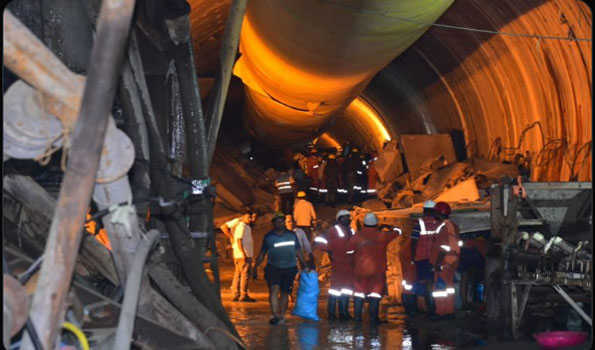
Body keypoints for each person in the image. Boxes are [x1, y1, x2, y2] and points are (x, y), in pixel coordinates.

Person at [253, 212, 309, 325]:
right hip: (273, 268)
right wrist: (255, 267)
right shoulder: (269, 237)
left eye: (282, 221)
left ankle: (281, 315)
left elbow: (298, 250)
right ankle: (275, 315)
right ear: (273, 223)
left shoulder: (292, 235)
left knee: (285, 292)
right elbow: (262, 253)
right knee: (274, 290)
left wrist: (304, 264)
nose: (281, 223)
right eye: (278, 221)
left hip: (290, 268)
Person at [346, 213, 399, 323]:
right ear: (376, 224)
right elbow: (399, 231)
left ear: (364, 223)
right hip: (377, 270)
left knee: (359, 293)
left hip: (360, 270)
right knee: (375, 293)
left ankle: (357, 318)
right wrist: (390, 227)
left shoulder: (357, 236)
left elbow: (348, 251)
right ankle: (373, 318)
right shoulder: (383, 235)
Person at [313, 209, 355, 321]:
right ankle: (332, 313)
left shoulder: (351, 230)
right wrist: (330, 250)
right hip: (338, 264)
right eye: (345, 217)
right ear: (339, 219)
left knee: (346, 290)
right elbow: (321, 241)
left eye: (348, 217)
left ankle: (343, 313)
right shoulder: (333, 230)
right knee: (335, 290)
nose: (348, 219)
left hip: (349, 265)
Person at [410, 200, 443, 315]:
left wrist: (412, 257)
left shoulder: (419, 223)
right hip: (436, 257)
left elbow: (413, 241)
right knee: (433, 283)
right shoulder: (439, 223)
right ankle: (432, 307)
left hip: (421, 258)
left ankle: (427, 308)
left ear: (424, 211)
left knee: (423, 282)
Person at [429, 202, 460, 319]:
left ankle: (441, 312)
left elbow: (442, 247)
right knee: (448, 287)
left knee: (440, 289)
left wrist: (437, 263)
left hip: (443, 262)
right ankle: (449, 311)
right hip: (452, 261)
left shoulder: (443, 227)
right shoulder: (453, 226)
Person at [220, 211, 257, 302]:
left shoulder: (243, 226)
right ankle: (243, 295)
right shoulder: (242, 226)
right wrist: (243, 253)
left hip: (239, 254)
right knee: (245, 275)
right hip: (243, 255)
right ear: (243, 217)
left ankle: (236, 294)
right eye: (249, 217)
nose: (251, 219)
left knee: (238, 274)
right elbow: (239, 240)